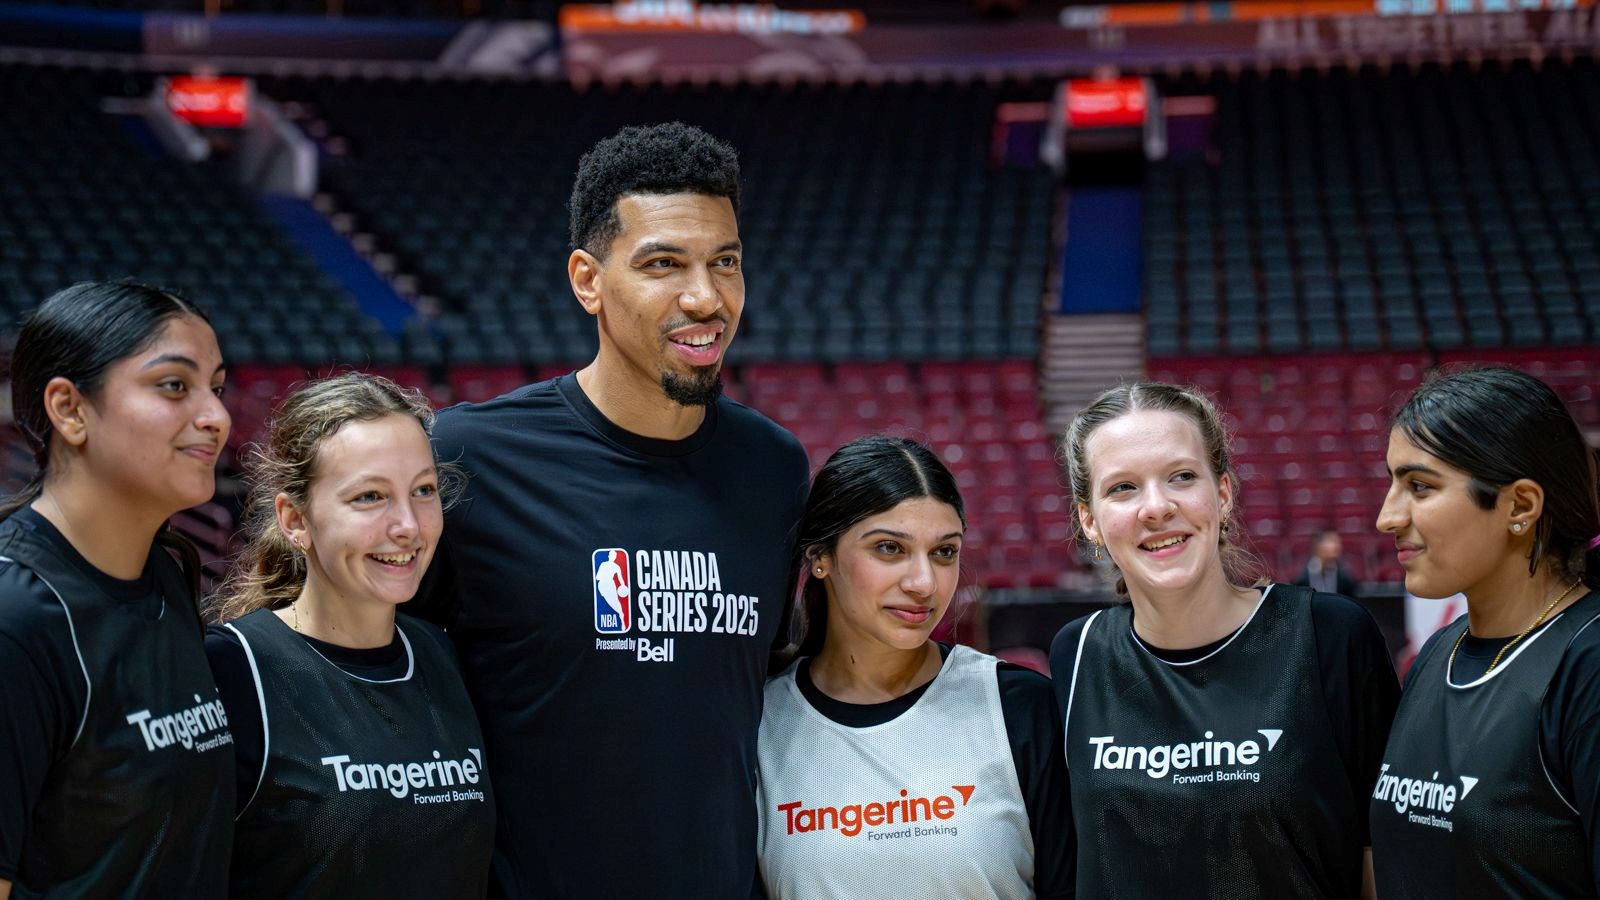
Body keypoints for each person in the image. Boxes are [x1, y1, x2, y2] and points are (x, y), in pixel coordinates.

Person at [405, 122, 812, 897]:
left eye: (724, 262)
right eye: (663, 264)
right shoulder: (468, 458)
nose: (705, 297)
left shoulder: (773, 468)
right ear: (588, 280)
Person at [1048, 382, 1399, 898]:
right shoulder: (1076, 654)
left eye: (1182, 477)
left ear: (1224, 493)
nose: (1156, 507)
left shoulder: (1330, 635)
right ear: (1089, 521)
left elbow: (1382, 860)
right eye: (1122, 487)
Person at [204, 373, 494, 898]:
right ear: (296, 520)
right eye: (370, 497)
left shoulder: (442, 655)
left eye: (423, 490)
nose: (408, 524)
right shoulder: (232, 668)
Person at [757, 436, 1070, 899]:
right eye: (889, 548)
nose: (924, 583)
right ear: (820, 558)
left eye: (944, 552)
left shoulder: (1019, 706)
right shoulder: (759, 723)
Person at [0, 281, 233, 898]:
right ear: (70, 409)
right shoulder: (16, 617)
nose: (216, 417)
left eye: (218, 386)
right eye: (175, 385)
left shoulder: (165, 571)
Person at [1370, 366, 1600, 897]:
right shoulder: (1437, 654)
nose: (1387, 516)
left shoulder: (1587, 666)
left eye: (1419, 487)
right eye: (1392, 483)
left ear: (1519, 505)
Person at [1295, 529, 1359, 596]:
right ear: (1317, 545)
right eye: (1332, 541)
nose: (1337, 546)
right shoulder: (1301, 576)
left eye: (1338, 542)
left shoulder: (1345, 577)